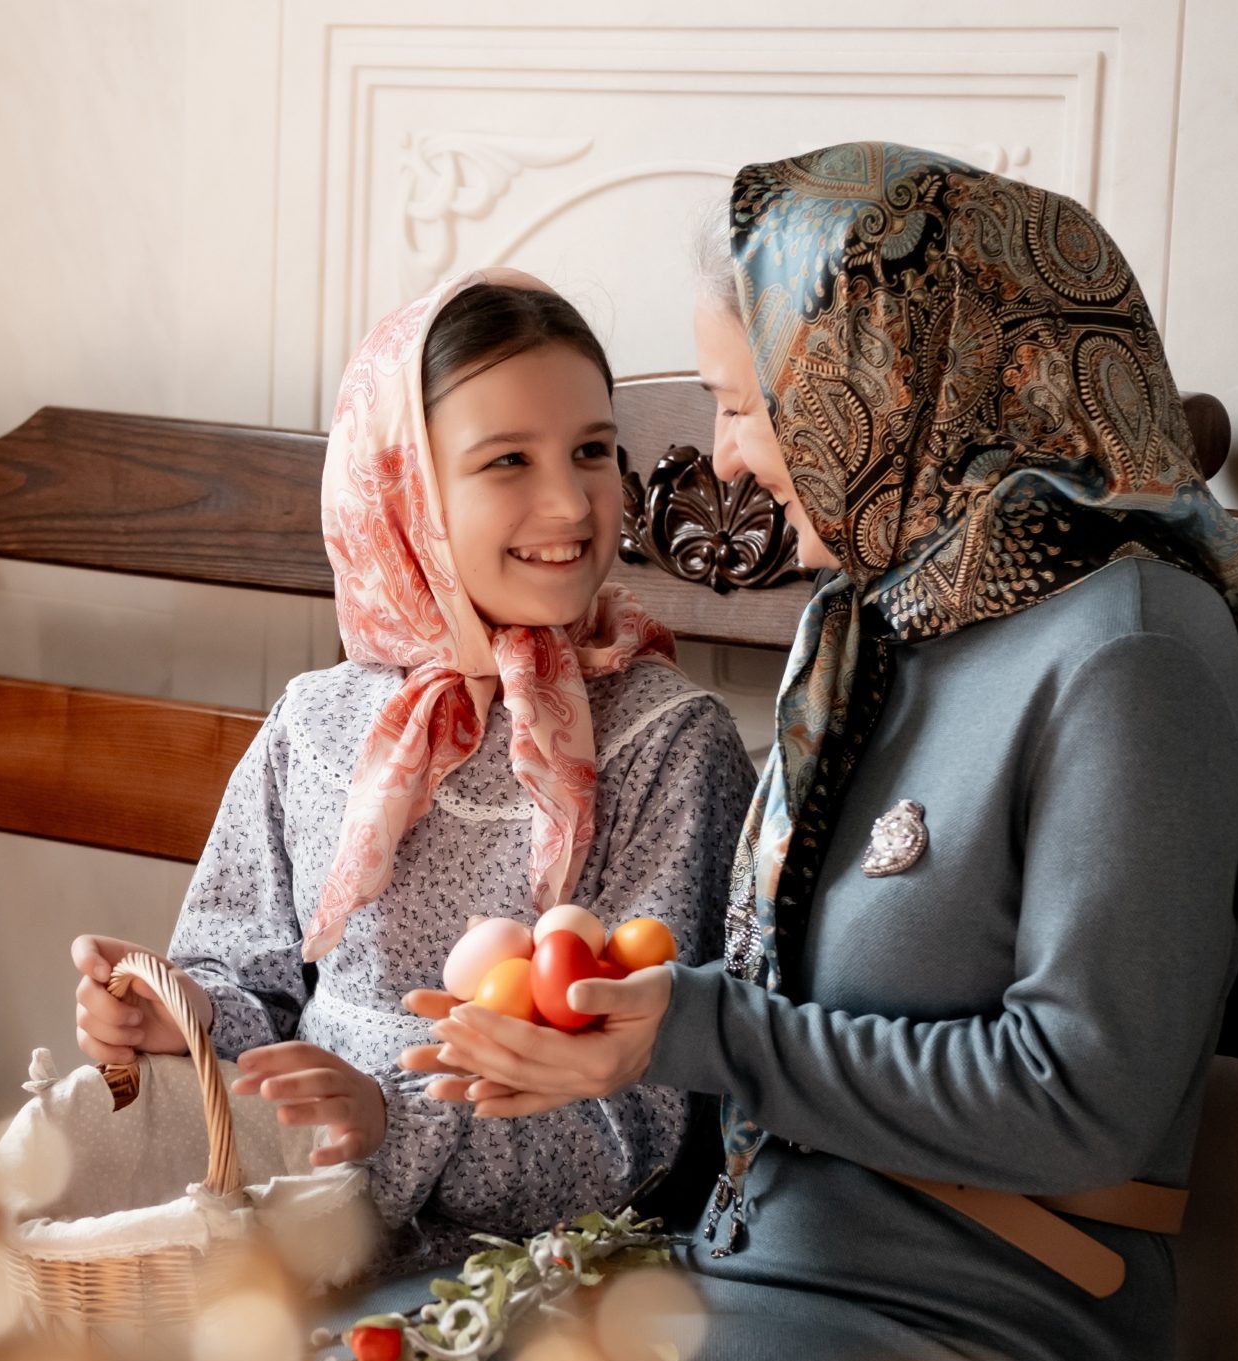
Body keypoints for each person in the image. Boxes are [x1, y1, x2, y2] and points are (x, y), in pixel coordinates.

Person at [406, 145, 1238, 1361]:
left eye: (745, 407)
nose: (728, 460)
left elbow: (1082, 1099)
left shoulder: (1132, 654)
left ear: (893, 380)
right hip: (755, 1293)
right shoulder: (877, 620)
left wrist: (696, 1028)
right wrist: (623, 1020)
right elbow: (798, 1008)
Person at [69, 268, 754, 1263]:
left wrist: (390, 1123)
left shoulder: (669, 746)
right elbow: (252, 982)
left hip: (533, 1276)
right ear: (404, 489)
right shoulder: (318, 725)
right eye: (508, 460)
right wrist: (183, 1015)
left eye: (592, 451)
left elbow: (648, 1130)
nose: (570, 502)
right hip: (286, 1231)